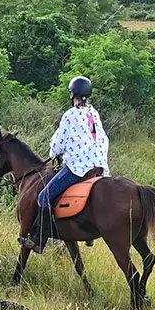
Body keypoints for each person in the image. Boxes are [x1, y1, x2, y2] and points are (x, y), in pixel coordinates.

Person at [21, 76, 109, 253]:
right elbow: (101, 138)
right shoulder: (94, 113)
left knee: (44, 197)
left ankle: (39, 240)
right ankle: (89, 235)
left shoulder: (70, 115)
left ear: (72, 94)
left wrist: (53, 153)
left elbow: (58, 143)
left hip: (78, 168)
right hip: (99, 168)